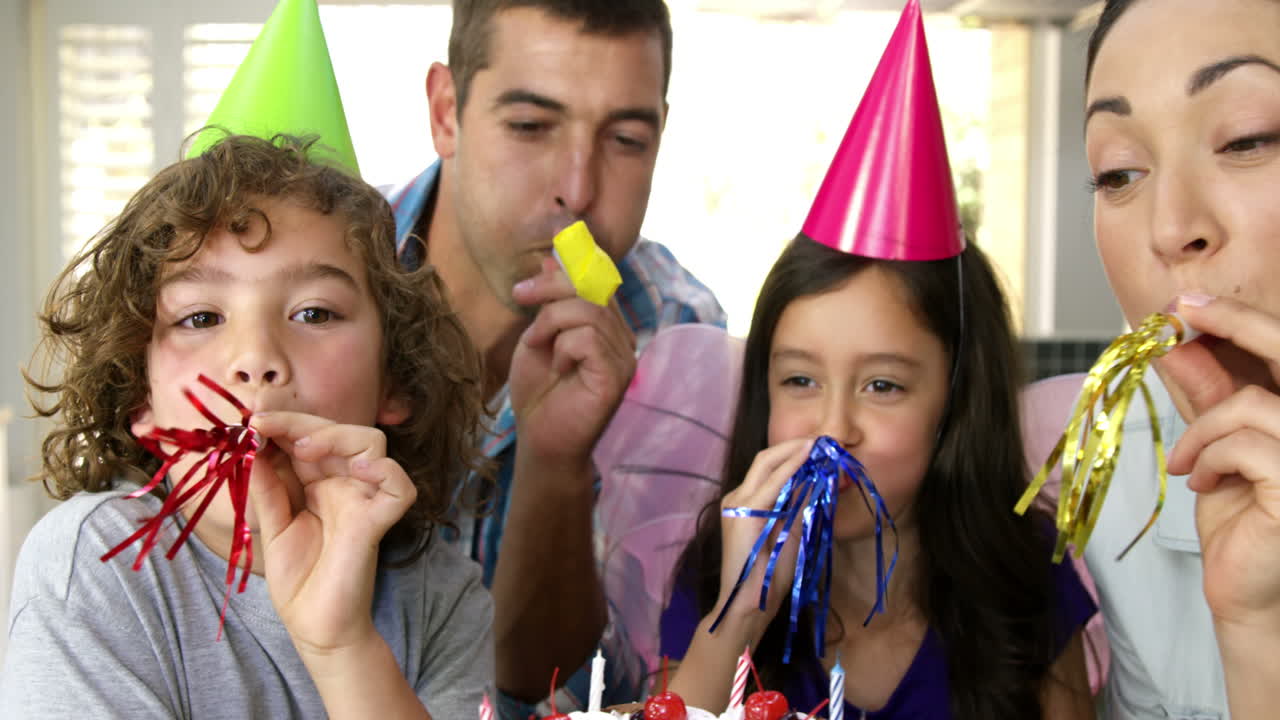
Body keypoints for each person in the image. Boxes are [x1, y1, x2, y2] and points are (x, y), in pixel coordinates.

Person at [660, 3, 1093, 717]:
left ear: (955, 402)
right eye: (800, 379)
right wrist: (737, 616)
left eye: (883, 386)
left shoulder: (1026, 584)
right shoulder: (715, 573)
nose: (834, 430)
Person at [0, 132, 493, 718]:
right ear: (141, 398)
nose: (256, 357)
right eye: (201, 316)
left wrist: (342, 648)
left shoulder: (442, 595)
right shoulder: (93, 565)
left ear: (395, 379)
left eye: (314, 312)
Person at [383, 0, 725, 714]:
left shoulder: (678, 335)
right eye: (532, 126)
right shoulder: (312, 290)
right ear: (447, 112)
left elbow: (575, 690)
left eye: (626, 138)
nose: (579, 186)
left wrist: (558, 464)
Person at [1020, 0, 1280, 716]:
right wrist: (1257, 634)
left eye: (1247, 138)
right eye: (1118, 172)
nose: (1170, 229)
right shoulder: (1107, 475)